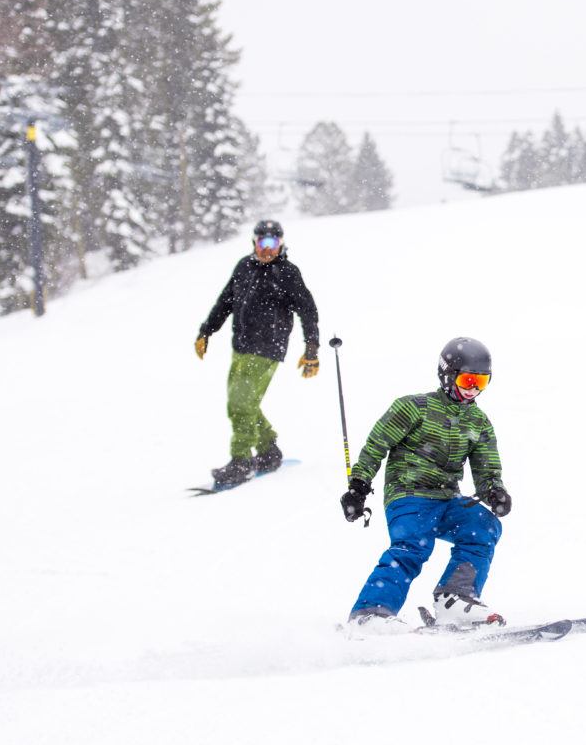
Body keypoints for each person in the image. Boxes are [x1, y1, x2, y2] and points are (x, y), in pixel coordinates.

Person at [339, 337, 513, 635]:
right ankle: (370, 613)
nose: (473, 389)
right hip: (409, 496)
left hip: (447, 500)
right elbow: (376, 445)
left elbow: (487, 466)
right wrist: (358, 485)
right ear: (448, 375)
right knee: (413, 546)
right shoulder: (413, 408)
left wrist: (494, 490)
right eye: (468, 379)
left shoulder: (478, 422)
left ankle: (454, 597)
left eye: (481, 382)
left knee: (483, 528)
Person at [195, 219, 320, 488]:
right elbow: (225, 301)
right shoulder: (244, 267)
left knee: (241, 404)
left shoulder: (287, 272)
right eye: (263, 243)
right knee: (240, 403)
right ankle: (268, 450)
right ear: (254, 242)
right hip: (241, 347)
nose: (267, 249)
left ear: (281, 244)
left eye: (273, 244)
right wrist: (207, 331)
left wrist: (312, 349)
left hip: (267, 349)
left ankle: (241, 462)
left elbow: (308, 310)